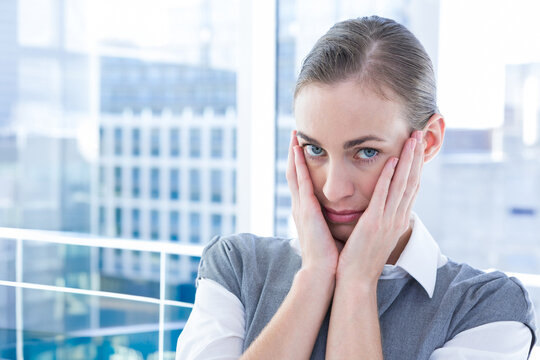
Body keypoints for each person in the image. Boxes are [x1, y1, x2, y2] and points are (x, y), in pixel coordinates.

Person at [176, 15, 537, 359]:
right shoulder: (237, 267)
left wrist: (358, 283)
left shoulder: (486, 309)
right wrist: (315, 277)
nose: (333, 190)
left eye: (365, 152)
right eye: (314, 149)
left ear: (426, 143)